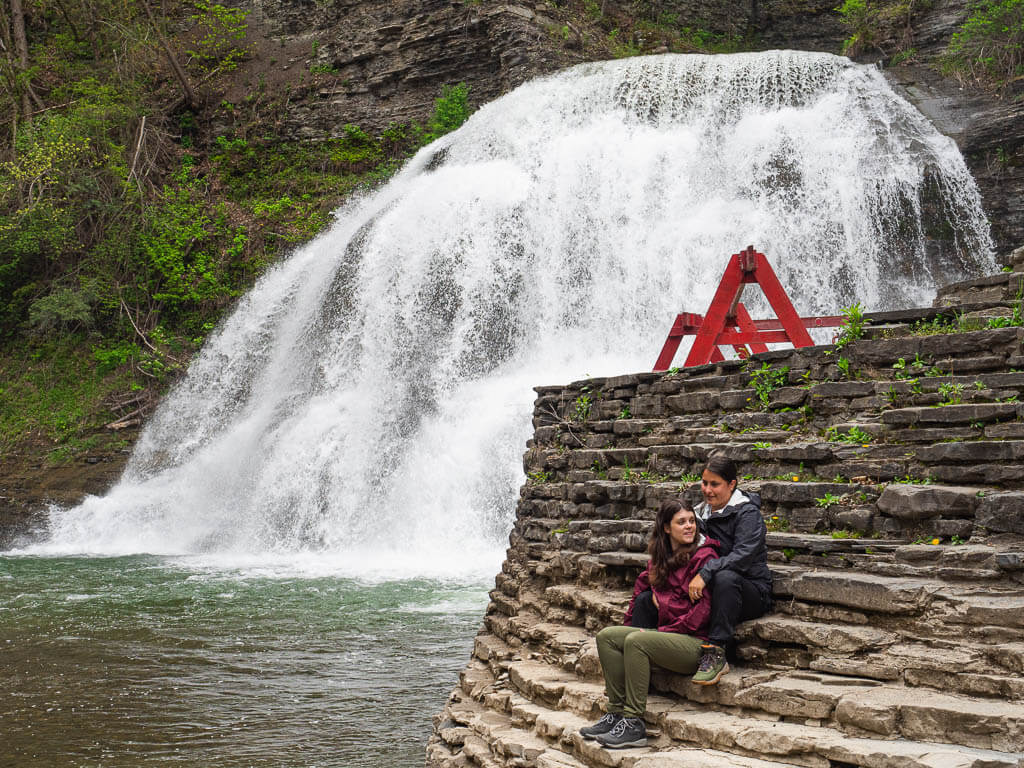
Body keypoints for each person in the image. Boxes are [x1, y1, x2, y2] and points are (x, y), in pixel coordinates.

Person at [578, 499, 719, 749]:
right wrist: (631, 625)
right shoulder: (659, 558)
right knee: (608, 637)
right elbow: (640, 592)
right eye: (681, 522)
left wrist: (659, 626)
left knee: (637, 640)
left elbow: (702, 613)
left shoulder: (705, 557)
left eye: (692, 521)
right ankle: (616, 713)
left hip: (694, 642)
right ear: (666, 528)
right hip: (668, 636)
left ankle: (633, 723)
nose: (689, 527)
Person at [688, 454, 772, 685]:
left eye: (715, 484)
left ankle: (716, 652)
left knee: (725, 578)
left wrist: (706, 572)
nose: (707, 490)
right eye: (704, 483)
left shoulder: (747, 514)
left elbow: (742, 556)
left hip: (750, 590)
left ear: (732, 484)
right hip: (712, 588)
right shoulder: (698, 514)